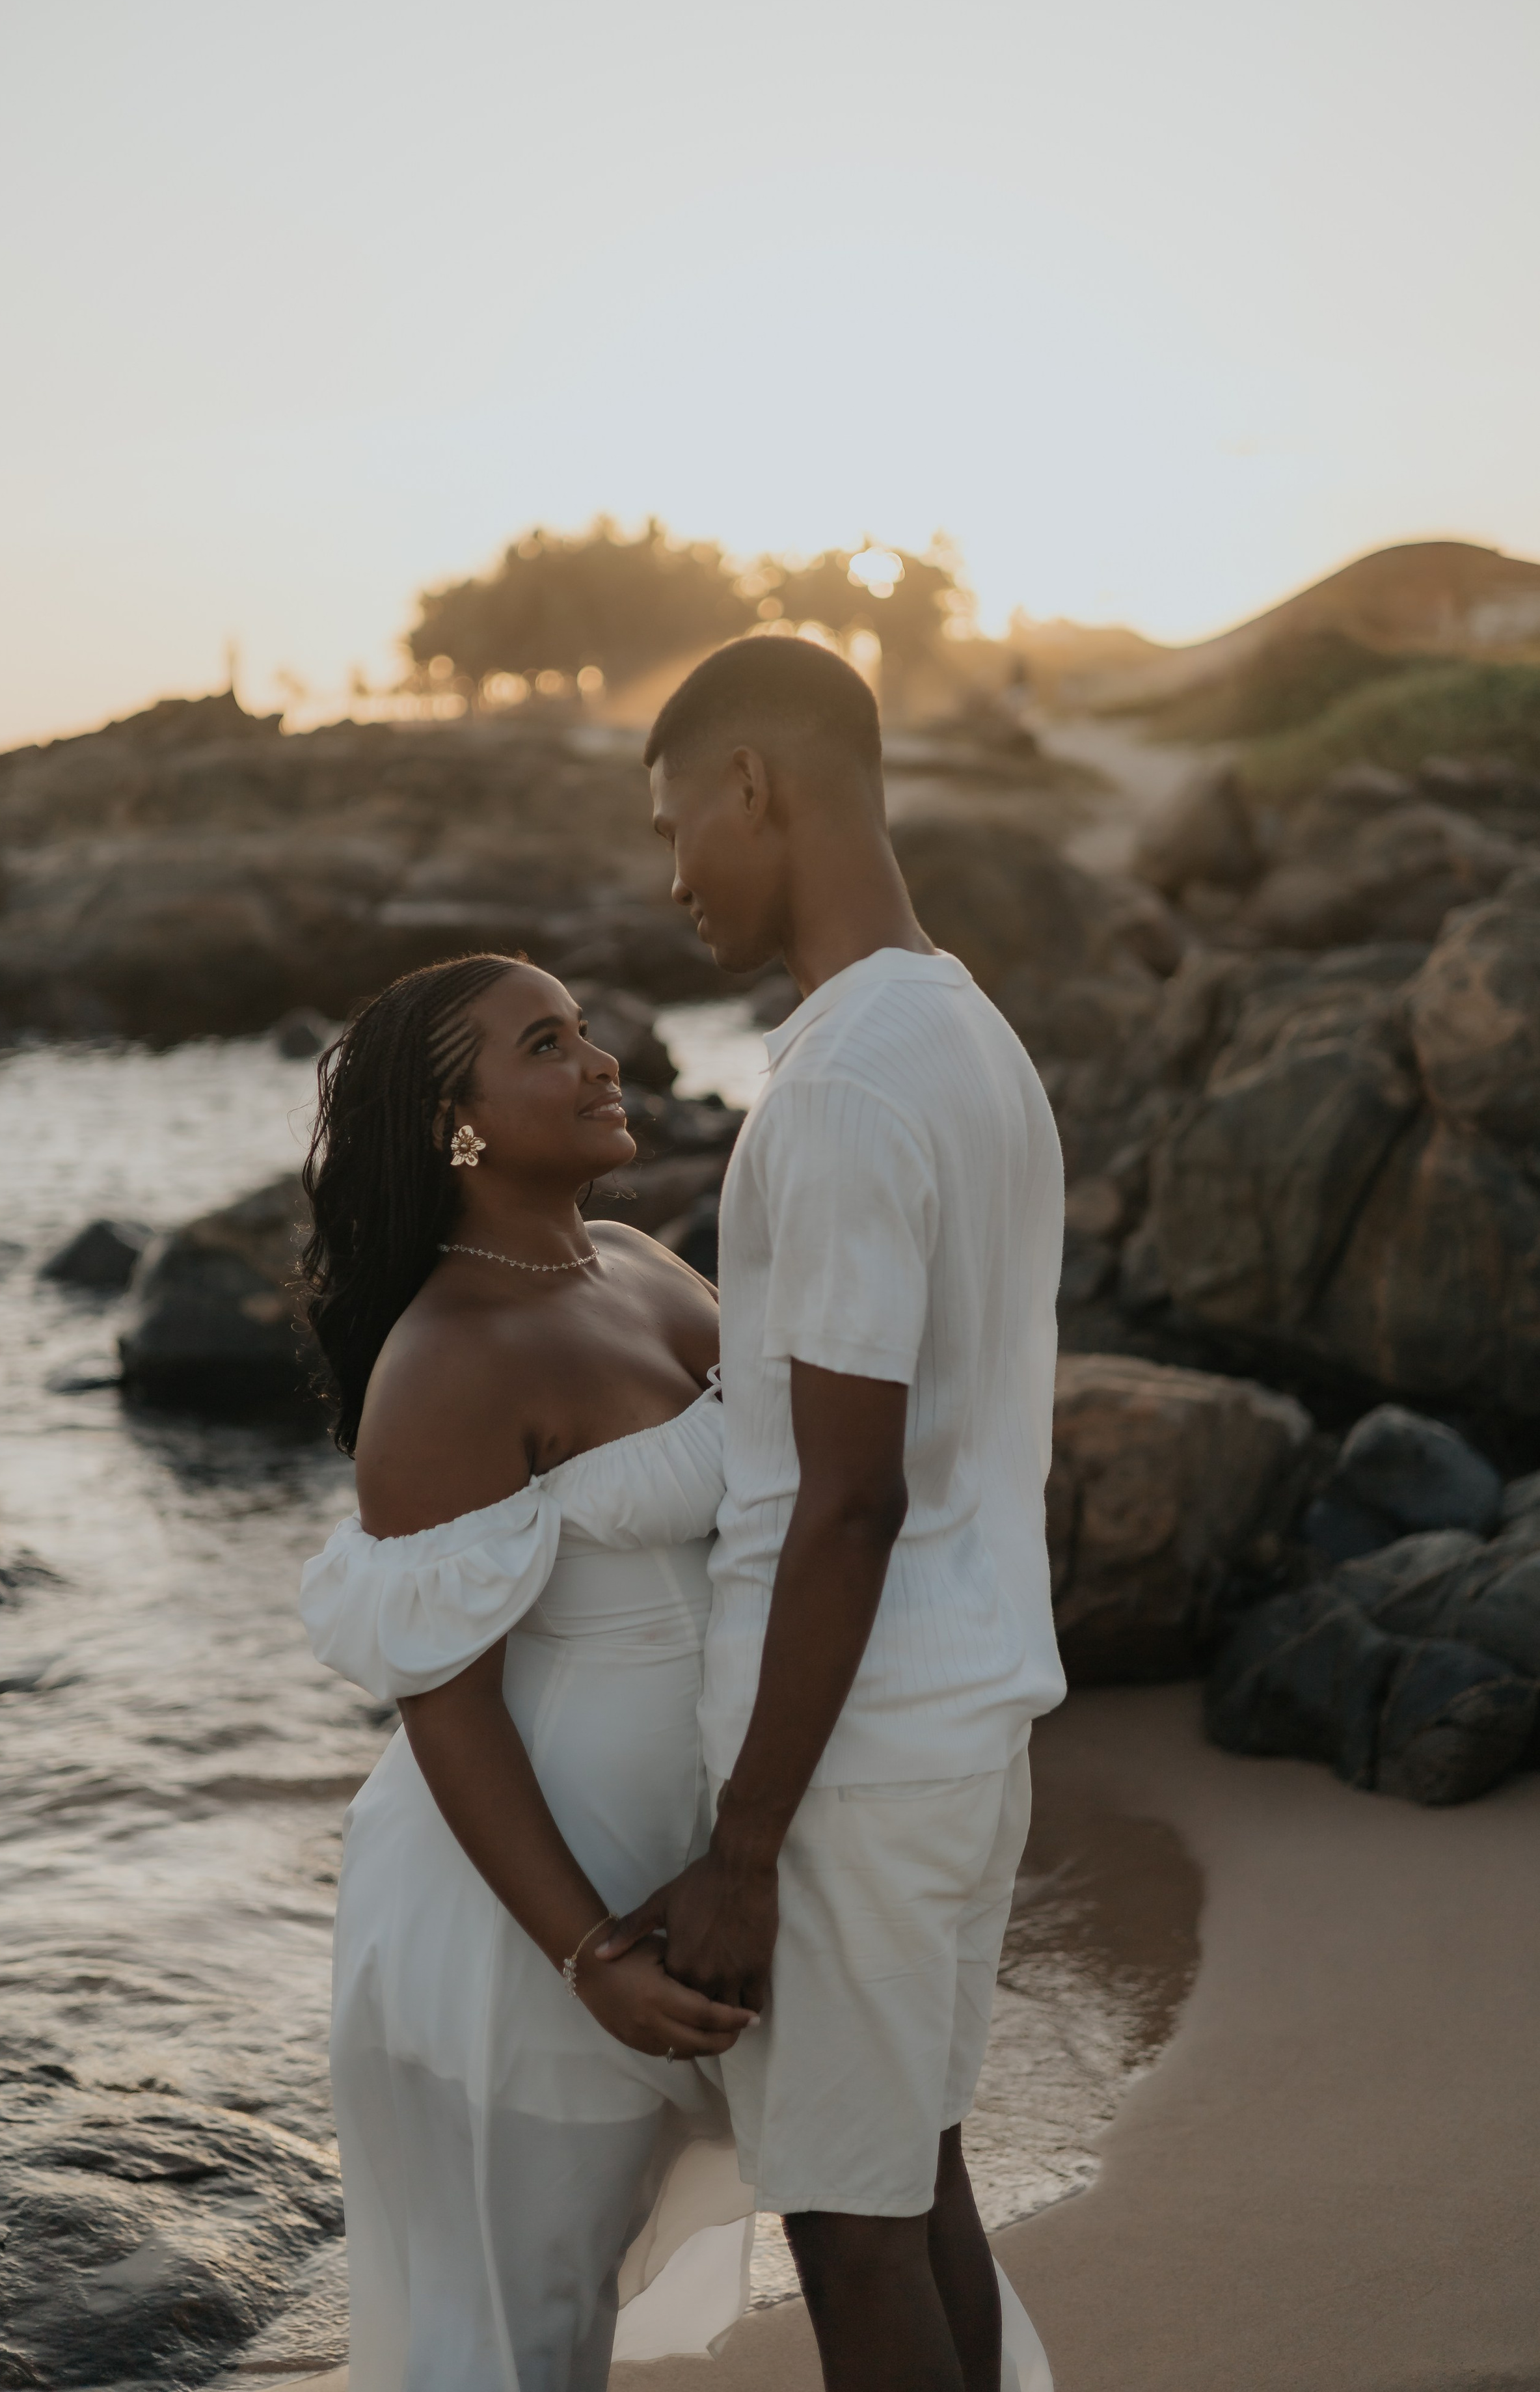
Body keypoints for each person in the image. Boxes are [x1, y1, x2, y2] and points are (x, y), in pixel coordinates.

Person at [601, 634, 1067, 2392]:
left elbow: (850, 1496)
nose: (674, 879)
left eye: (676, 829)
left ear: (755, 786)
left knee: (855, 2238)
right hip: (955, 1728)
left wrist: (745, 1848)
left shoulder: (851, 1084)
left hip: (857, 1770)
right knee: (912, 2187)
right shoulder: (965, 1035)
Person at [295, 953, 759, 2391]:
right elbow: (446, 1704)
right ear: (459, 1125)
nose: (603, 1061)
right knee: (517, 2340)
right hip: (519, 1916)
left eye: (584, 1030)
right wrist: (588, 1954)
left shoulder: (633, 1261)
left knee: (564, 2320)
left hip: (685, 1861)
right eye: (546, 1046)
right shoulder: (448, 1356)